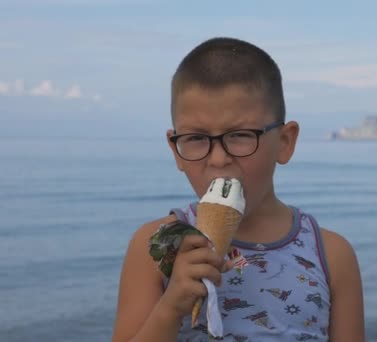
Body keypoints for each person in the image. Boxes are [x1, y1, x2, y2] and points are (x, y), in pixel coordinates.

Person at [112, 37, 364, 342]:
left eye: (241, 135)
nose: (218, 159)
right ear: (176, 150)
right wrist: (170, 306)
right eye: (195, 138)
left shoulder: (332, 256)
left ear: (285, 142)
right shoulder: (156, 248)